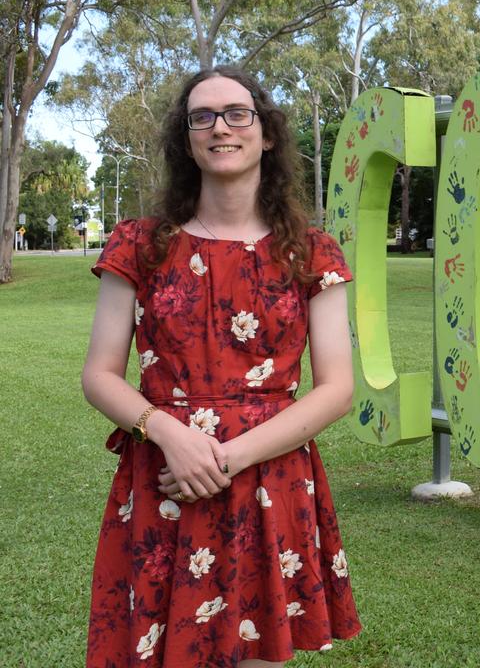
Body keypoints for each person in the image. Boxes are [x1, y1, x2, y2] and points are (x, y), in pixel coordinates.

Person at [82, 66, 361, 667]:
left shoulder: (312, 253)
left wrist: (224, 459)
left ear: (266, 134)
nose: (220, 127)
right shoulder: (138, 244)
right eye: (201, 117)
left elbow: (337, 389)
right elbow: (99, 374)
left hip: (270, 479)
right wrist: (168, 435)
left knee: (258, 654)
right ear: (187, 141)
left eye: (237, 114)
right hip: (162, 478)